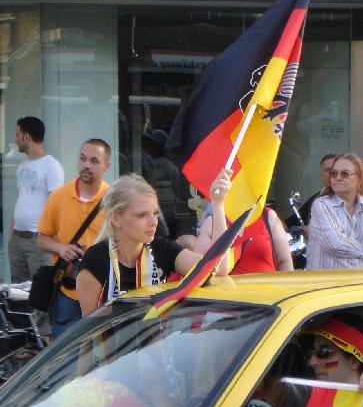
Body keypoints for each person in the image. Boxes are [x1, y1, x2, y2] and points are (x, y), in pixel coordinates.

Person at [76, 169, 232, 316]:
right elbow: (87, 332)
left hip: (155, 344)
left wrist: (217, 204)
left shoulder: (162, 249)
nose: (153, 222)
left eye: (155, 213)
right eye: (142, 215)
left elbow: (218, 268)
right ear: (115, 219)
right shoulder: (95, 258)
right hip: (113, 345)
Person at [37, 139, 111, 338]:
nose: (86, 165)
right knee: (63, 354)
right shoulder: (59, 196)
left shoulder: (114, 200)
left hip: (102, 293)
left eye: (94, 161)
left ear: (106, 166)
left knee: (101, 352)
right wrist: (61, 249)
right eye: (83, 158)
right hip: (66, 290)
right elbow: (42, 238)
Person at [8, 116, 64, 338]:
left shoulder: (52, 166)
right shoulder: (23, 166)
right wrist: (12, 232)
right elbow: (21, 198)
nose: (16, 139)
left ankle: (43, 343)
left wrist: (48, 238)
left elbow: (55, 205)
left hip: (38, 240)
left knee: (41, 292)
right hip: (19, 240)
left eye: (17, 135)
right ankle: (23, 339)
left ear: (26, 137)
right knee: (18, 292)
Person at [306, 153, 363, 270]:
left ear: (359, 178)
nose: (338, 178)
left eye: (345, 174)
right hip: (330, 283)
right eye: (334, 173)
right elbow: (335, 244)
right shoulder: (321, 205)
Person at [286, 153, 336, 236]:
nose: (332, 174)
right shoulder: (316, 198)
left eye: (335, 171)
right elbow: (291, 222)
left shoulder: (346, 199)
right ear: (321, 174)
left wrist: (315, 231)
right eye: (328, 170)